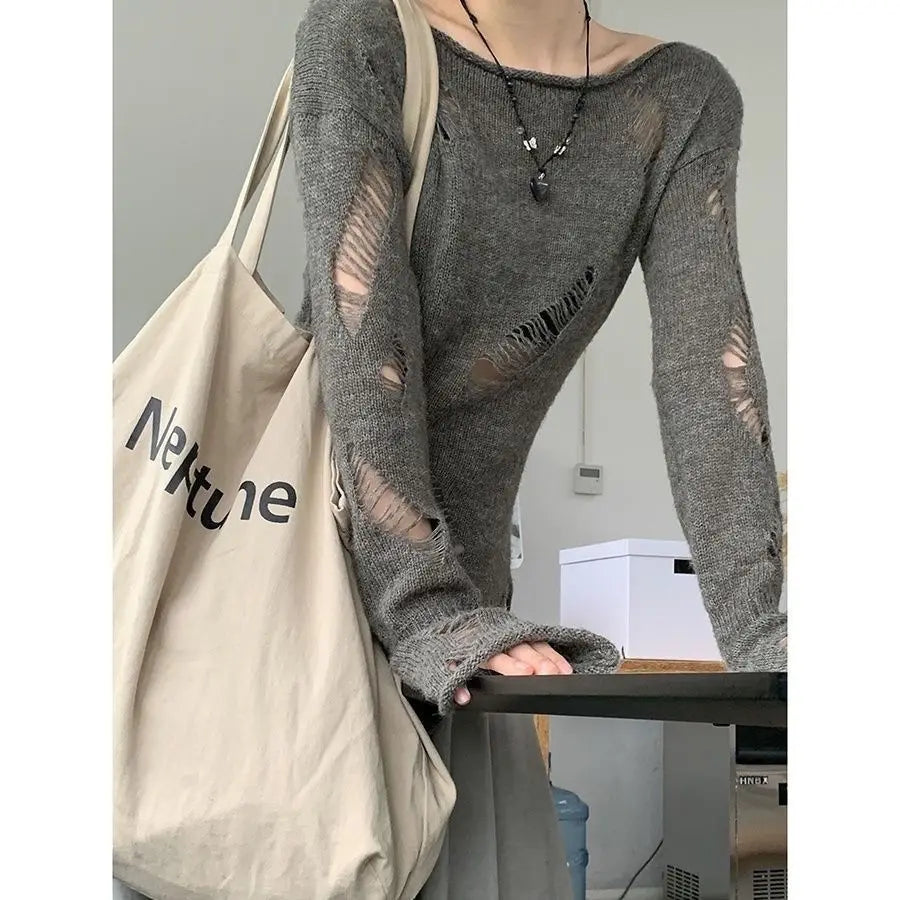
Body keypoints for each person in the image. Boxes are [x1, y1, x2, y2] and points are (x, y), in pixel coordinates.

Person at [292, 0, 787, 896]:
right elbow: (364, 338)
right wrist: (430, 612)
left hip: (471, 634)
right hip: (301, 591)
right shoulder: (365, 32)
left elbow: (707, 371)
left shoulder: (682, 98)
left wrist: (767, 636)